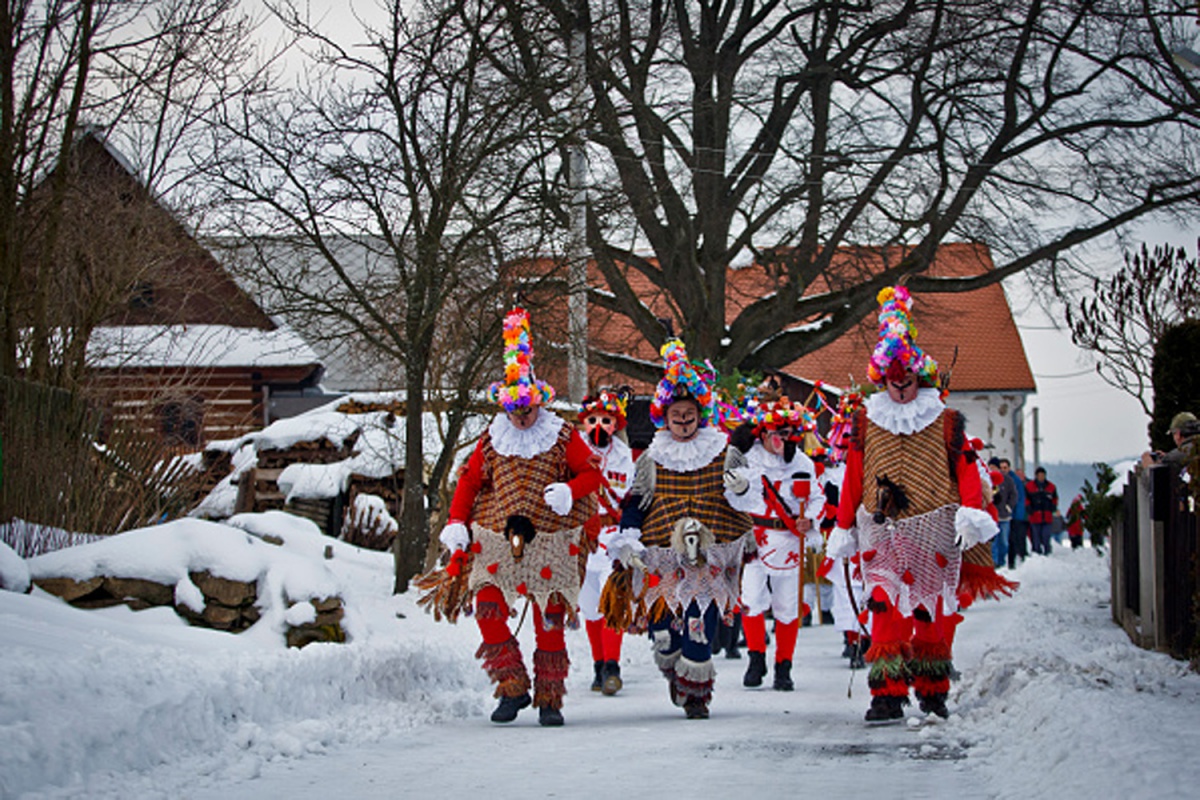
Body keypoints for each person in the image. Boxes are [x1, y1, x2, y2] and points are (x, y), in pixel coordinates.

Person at [825, 286, 1013, 724]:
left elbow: (965, 465)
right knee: (884, 611)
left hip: (935, 533)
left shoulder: (944, 420)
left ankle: (932, 690)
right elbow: (854, 475)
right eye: (892, 371)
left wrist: (970, 509)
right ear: (883, 376)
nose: (900, 378)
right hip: (882, 533)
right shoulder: (866, 423)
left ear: (918, 373)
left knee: (933, 613)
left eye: (906, 370)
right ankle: (887, 694)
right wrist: (842, 525)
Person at [437, 307, 603, 727]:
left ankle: (550, 697)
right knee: (487, 607)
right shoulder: (492, 438)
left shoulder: (561, 434)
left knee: (549, 620)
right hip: (496, 535)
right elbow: (469, 482)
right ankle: (512, 687)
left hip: (550, 538)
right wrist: (457, 522)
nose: (522, 418)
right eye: (515, 412)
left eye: (527, 410)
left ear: (538, 403)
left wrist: (569, 490)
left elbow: (591, 474)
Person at [605, 338, 753, 720]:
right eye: (676, 414)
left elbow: (741, 502)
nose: (683, 421)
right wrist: (628, 534)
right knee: (663, 627)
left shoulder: (721, 451)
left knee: (698, 620)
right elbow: (636, 500)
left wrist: (741, 487)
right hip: (662, 554)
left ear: (699, 414)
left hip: (707, 554)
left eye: (689, 413)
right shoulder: (653, 456)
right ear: (665, 417)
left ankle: (697, 695)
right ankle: (672, 665)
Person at [724, 396, 824, 691]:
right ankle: (756, 659)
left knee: (787, 605)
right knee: (752, 600)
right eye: (774, 433)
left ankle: (784, 665)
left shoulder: (802, 462)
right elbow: (731, 497)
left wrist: (812, 520)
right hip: (755, 538)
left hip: (789, 539)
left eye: (784, 434)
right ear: (763, 433)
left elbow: (817, 498)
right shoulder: (746, 458)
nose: (779, 440)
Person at [576, 387, 636, 695]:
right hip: (582, 539)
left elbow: (633, 499)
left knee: (612, 602)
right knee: (589, 608)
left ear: (616, 425)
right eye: (593, 419)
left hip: (612, 537)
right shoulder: (572, 452)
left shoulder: (626, 458)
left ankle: (613, 666)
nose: (599, 425)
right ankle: (598, 665)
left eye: (606, 420)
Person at [989, 457, 1017, 569]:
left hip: (1004, 516)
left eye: (994, 467)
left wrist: (1009, 506)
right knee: (993, 542)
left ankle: (1001, 560)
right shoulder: (987, 479)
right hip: (991, 516)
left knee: (1004, 542)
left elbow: (1014, 495)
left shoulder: (1007, 480)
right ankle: (994, 562)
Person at [1025, 467, 1059, 556]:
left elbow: (1055, 498)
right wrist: (1029, 508)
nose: (1041, 477)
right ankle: (1036, 552)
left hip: (1047, 516)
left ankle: (1047, 551)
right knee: (1035, 536)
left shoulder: (1051, 487)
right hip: (1035, 516)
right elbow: (1026, 498)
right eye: (1039, 475)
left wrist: (1053, 507)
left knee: (1046, 535)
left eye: (1042, 475)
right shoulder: (1029, 486)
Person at [1008, 464, 1029, 568]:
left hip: (1018, 516)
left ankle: (1021, 555)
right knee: (1011, 539)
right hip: (1009, 514)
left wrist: (1019, 515)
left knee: (1018, 537)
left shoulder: (1016, 481)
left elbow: (1020, 499)